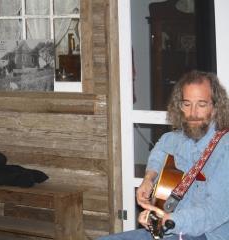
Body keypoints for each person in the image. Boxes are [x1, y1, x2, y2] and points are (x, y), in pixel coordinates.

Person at [98, 70, 229, 240]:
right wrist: (149, 179)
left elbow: (215, 210)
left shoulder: (224, 148)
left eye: (201, 104)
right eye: (186, 104)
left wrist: (168, 220)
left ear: (215, 107)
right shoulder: (178, 138)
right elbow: (161, 148)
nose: (193, 113)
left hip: (206, 234)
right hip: (171, 228)